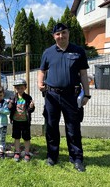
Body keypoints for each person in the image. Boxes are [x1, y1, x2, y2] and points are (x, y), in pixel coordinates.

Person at [38, 23, 90, 172]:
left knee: (73, 129)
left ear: (68, 33)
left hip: (71, 96)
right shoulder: (48, 52)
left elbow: (84, 74)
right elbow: (42, 70)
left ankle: (77, 158)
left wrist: (86, 94)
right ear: (54, 36)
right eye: (58, 34)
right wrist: (39, 82)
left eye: (64, 33)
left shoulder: (78, 51)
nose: (61, 36)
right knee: (51, 127)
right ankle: (52, 156)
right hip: (51, 96)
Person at [8, 79, 35, 162]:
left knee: (26, 138)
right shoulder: (13, 97)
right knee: (16, 137)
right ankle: (17, 152)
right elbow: (10, 109)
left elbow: (30, 110)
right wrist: (10, 105)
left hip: (25, 121)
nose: (20, 90)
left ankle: (27, 153)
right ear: (15, 88)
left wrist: (31, 107)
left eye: (21, 88)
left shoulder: (28, 98)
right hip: (16, 121)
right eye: (18, 88)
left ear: (25, 88)